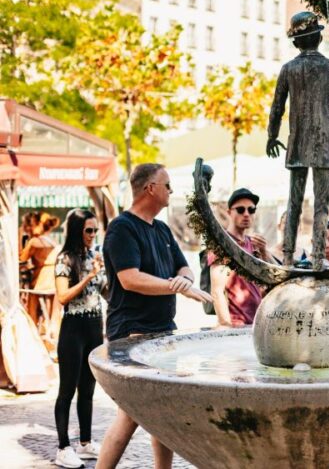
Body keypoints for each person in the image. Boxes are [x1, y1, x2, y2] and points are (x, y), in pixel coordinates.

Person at [96, 163, 211, 469]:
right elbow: (130, 279)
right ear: (150, 188)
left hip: (163, 332)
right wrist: (177, 288)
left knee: (162, 414)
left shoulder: (161, 229)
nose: (171, 191)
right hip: (132, 332)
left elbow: (182, 267)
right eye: (167, 185)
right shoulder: (122, 228)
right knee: (133, 414)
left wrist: (183, 280)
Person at [266, 11, 329, 270]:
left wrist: (271, 136)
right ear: (319, 37)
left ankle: (286, 256)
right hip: (324, 144)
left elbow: (277, 108)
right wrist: (328, 102)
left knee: (293, 202)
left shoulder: (288, 69)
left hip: (297, 144)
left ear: (296, 43)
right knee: (321, 204)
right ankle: (318, 258)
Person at [53, 209, 106, 468]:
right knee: (67, 391)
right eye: (88, 230)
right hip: (73, 328)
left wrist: (104, 274)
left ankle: (85, 443)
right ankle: (63, 447)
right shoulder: (64, 259)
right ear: (77, 231)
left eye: (95, 230)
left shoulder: (94, 256)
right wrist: (89, 276)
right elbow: (62, 297)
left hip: (95, 327)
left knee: (88, 391)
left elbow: (104, 294)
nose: (93, 235)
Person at [209, 188, 271, 327]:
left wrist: (264, 252)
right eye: (241, 210)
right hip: (236, 324)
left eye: (251, 210)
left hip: (256, 324)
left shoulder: (253, 243)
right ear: (229, 212)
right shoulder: (223, 244)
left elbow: (265, 283)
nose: (247, 214)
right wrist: (226, 326)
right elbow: (217, 291)